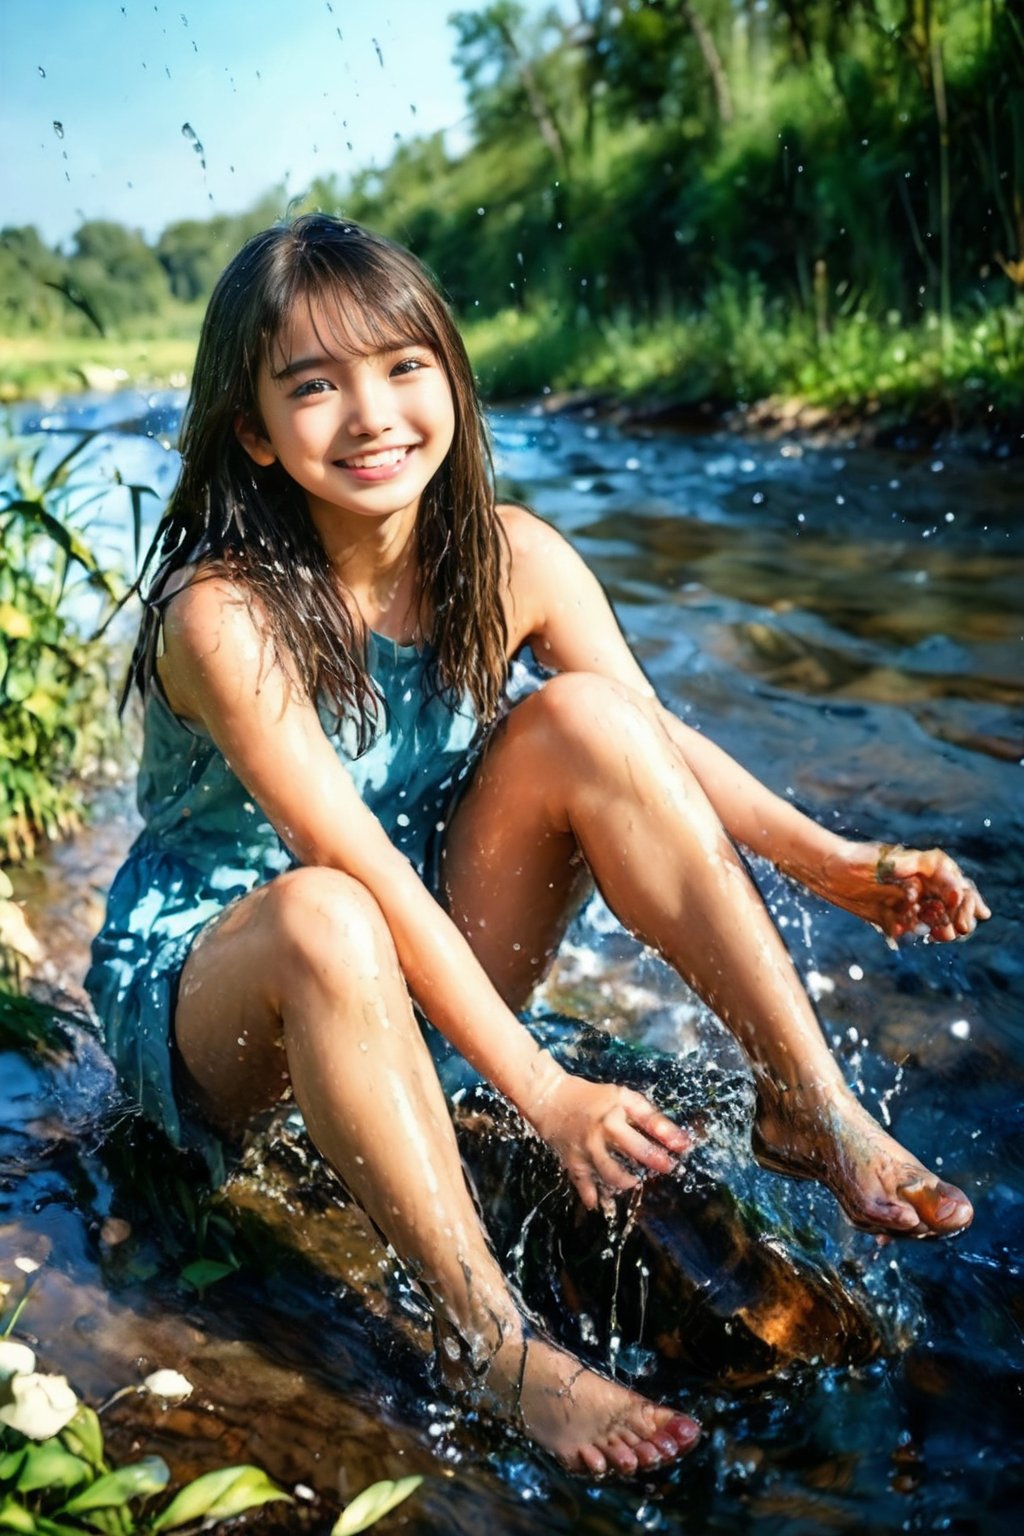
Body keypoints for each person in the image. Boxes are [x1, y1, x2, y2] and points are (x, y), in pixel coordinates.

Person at [86, 215, 989, 1478]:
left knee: (581, 718)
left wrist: (834, 861)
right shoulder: (222, 614)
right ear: (253, 434)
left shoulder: (514, 557)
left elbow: (653, 747)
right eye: (312, 385)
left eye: (402, 366)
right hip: (237, 986)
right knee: (329, 910)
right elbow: (352, 860)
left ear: (451, 375)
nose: (370, 414)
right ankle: (493, 1347)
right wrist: (543, 1090)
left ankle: (812, 1107)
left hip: (420, 951)